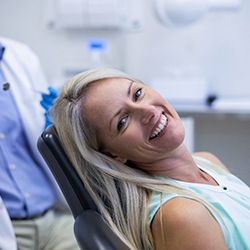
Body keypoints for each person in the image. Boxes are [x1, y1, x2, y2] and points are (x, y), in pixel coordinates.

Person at [50, 68, 250, 250]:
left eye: (137, 94)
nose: (148, 111)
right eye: (122, 121)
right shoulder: (183, 215)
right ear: (112, 155)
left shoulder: (207, 162)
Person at [0, 37, 79, 250]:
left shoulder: (18, 55)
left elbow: (38, 132)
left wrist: (56, 125)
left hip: (54, 219)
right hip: (7, 230)